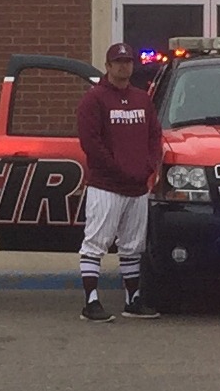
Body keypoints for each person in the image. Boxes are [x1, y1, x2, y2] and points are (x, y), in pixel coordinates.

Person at [75, 43, 161, 322]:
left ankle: (132, 301)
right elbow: (91, 143)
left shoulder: (142, 99)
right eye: (118, 62)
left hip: (137, 187)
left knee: (133, 246)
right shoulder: (94, 99)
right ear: (108, 66)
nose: (124, 66)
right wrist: (118, 169)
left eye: (128, 61)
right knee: (95, 243)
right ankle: (91, 303)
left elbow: (154, 136)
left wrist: (149, 166)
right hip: (105, 186)